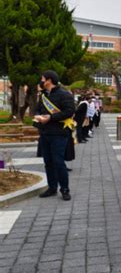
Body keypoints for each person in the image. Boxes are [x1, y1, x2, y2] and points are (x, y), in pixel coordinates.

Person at [33, 70, 75, 201]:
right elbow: (38, 109)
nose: (41, 80)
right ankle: (52, 188)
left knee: (58, 162)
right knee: (48, 162)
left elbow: (69, 111)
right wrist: (38, 116)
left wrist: (51, 117)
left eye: (42, 78)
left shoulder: (64, 94)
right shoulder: (43, 95)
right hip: (45, 133)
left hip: (58, 134)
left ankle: (65, 189)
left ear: (49, 80)